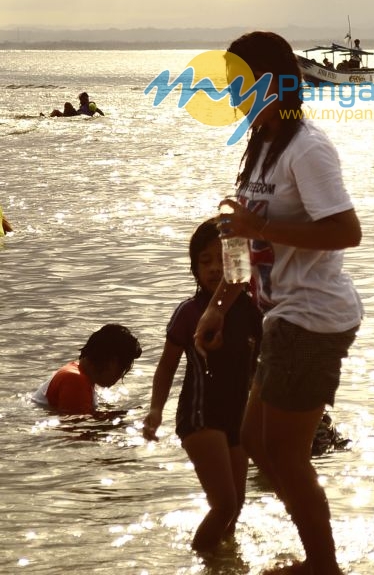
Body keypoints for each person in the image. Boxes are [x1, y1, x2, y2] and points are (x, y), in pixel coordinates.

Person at [194, 31, 363, 575]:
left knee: (284, 454)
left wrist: (259, 223)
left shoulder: (307, 148)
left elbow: (345, 231)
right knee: (258, 444)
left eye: (238, 83)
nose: (231, 95)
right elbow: (245, 243)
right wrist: (219, 304)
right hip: (280, 315)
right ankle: (317, 552)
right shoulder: (263, 143)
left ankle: (322, 565)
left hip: (312, 317)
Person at [143, 219, 262, 555]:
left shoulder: (252, 311)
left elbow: (258, 367)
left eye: (221, 260)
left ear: (235, 263)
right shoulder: (191, 312)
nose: (212, 269)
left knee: (236, 507)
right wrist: (155, 410)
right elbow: (166, 366)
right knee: (223, 505)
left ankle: (224, 562)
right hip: (200, 418)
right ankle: (199, 562)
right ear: (193, 268)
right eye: (204, 261)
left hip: (236, 420)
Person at [32, 324, 142, 415]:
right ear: (112, 363)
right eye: (122, 368)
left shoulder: (77, 371)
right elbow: (77, 431)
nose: (120, 375)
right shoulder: (75, 380)